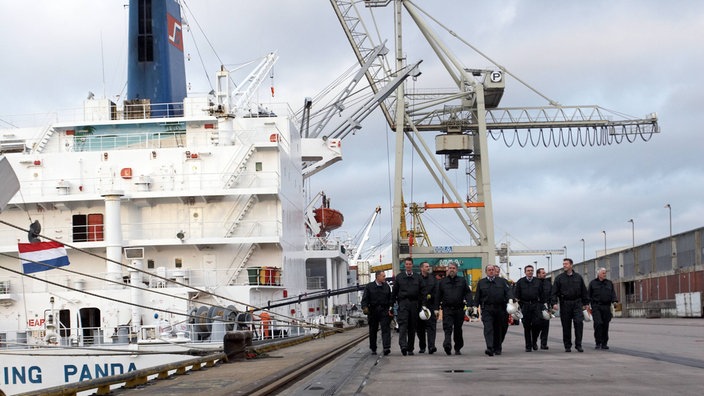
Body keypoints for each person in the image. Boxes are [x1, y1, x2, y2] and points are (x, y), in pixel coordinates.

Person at [551, 258, 589, 352]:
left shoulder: (578, 277)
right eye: (563, 264)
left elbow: (583, 291)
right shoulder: (559, 278)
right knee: (566, 325)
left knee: (579, 323)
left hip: (577, 303)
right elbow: (554, 292)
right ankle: (567, 346)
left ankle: (578, 345)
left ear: (571, 265)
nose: (564, 265)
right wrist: (554, 303)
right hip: (565, 304)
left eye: (566, 264)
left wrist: (586, 303)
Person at [474, 265, 511, 356]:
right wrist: (475, 308)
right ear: (486, 272)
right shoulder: (481, 283)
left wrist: (511, 301)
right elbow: (478, 296)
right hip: (487, 309)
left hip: (500, 309)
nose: (491, 271)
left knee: (499, 329)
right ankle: (490, 347)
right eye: (489, 270)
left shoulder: (502, 282)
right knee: (488, 328)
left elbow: (509, 292)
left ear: (495, 271)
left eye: (492, 270)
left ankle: (497, 347)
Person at [436, 261, 472, 355]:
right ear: (447, 269)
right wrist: (436, 308)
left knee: (457, 329)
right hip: (447, 309)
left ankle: (458, 347)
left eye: (453, 268)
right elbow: (438, 295)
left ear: (457, 270)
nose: (451, 270)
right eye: (450, 268)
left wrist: (470, 304)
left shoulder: (462, 281)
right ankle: (447, 345)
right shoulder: (442, 282)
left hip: (459, 309)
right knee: (447, 328)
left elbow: (467, 293)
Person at [392, 257, 422, 355]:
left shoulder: (418, 277)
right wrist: (391, 305)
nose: (408, 266)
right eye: (406, 264)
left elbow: (422, 292)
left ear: (412, 265)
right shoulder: (399, 277)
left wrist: (422, 306)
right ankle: (403, 346)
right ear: (404, 265)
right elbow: (394, 292)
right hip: (403, 304)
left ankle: (410, 348)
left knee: (412, 327)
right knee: (403, 326)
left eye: (409, 264)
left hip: (414, 304)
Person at [361, 271, 393, 355]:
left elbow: (390, 299)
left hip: (384, 310)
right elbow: (365, 299)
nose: (384, 278)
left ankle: (386, 347)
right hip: (373, 311)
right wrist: (364, 307)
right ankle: (373, 348)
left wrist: (391, 309)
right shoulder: (369, 286)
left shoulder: (386, 286)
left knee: (386, 329)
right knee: (373, 330)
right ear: (377, 277)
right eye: (383, 276)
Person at [514, 265, 543, 352]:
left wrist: (543, 305)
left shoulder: (538, 282)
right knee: (526, 326)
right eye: (528, 270)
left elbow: (542, 294)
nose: (530, 272)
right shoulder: (520, 282)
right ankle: (528, 345)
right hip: (525, 306)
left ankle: (534, 341)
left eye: (531, 270)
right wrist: (518, 304)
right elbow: (516, 294)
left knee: (537, 324)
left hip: (535, 305)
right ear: (525, 272)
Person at [589, 267, 618, 350]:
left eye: (605, 273)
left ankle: (604, 343)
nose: (605, 274)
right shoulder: (593, 283)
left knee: (605, 325)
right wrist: (587, 304)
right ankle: (598, 342)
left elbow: (613, 293)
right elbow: (588, 295)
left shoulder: (609, 283)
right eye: (603, 273)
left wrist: (614, 301)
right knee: (598, 324)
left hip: (606, 307)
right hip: (596, 306)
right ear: (598, 274)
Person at [417, 261, 438, 354]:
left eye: (428, 266)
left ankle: (431, 347)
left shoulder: (433, 279)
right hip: (419, 306)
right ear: (421, 268)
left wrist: (431, 296)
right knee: (420, 328)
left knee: (431, 327)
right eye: (426, 266)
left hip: (430, 306)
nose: (428, 268)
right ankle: (422, 347)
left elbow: (437, 292)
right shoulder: (416, 279)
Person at [536, 267, 552, 349]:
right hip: (537, 306)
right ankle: (534, 341)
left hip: (546, 305)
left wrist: (552, 305)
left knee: (546, 325)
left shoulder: (548, 283)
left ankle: (543, 343)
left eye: (544, 272)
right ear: (538, 274)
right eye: (543, 273)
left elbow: (552, 294)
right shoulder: (534, 282)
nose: (544, 274)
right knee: (537, 324)